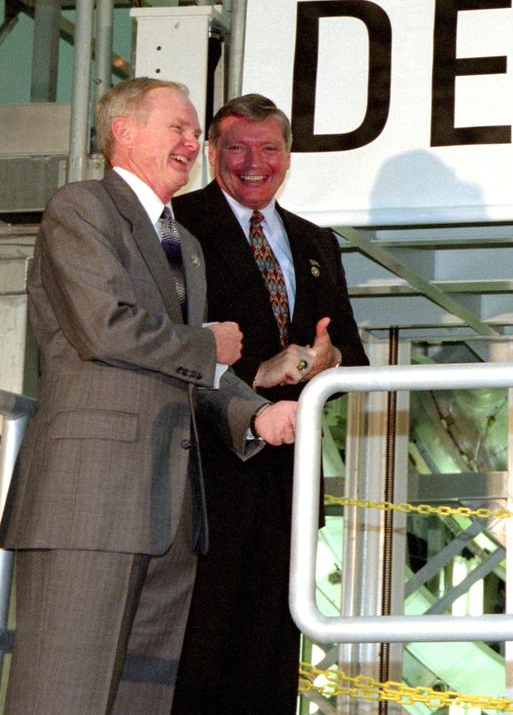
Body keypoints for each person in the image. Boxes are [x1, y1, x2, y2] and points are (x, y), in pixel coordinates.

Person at [0, 78, 299, 715]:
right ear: (124, 132)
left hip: (170, 510)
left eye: (195, 133)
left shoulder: (184, 244)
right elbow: (105, 327)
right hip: (91, 500)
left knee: (143, 697)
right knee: (64, 693)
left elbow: (195, 369)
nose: (193, 143)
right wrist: (206, 344)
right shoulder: (80, 208)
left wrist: (257, 414)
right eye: (180, 129)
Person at [171, 93, 368, 715]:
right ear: (211, 153)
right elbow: (163, 344)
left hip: (289, 478)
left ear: (288, 156)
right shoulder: (177, 224)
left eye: (269, 148)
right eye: (237, 147)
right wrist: (259, 369)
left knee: (272, 657)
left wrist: (324, 361)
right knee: (194, 655)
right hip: (202, 476)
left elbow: (352, 357)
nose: (253, 162)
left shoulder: (316, 242)